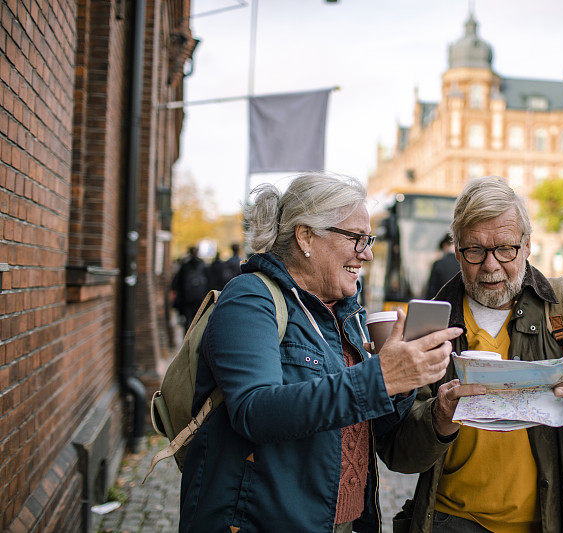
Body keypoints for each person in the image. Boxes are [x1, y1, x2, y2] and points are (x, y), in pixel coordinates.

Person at [179, 173, 462, 532]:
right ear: (306, 236)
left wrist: (429, 404)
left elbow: (384, 436)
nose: (368, 253)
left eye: (369, 239)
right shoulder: (250, 298)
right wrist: (381, 376)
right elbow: (255, 411)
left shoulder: (348, 315)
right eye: (357, 238)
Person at [378, 177, 563, 533]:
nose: (490, 265)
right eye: (475, 251)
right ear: (456, 251)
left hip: (556, 518)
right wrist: (438, 416)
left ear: (527, 247)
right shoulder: (429, 322)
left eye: (506, 249)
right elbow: (399, 454)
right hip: (452, 521)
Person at [171, 246, 209, 334]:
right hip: (200, 298)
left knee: (188, 320)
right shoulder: (203, 265)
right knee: (198, 320)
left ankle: (187, 337)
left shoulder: (185, 266)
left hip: (186, 299)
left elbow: (177, 282)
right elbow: (209, 282)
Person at [426, 234, 461, 299]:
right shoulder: (463, 265)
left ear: (444, 246)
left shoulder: (438, 264)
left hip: (441, 306)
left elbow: (431, 291)